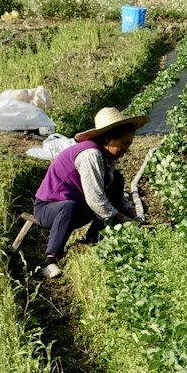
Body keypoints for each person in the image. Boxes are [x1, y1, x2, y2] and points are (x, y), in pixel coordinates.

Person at [33, 109, 143, 279]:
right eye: (124, 143)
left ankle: (94, 238)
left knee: (117, 181)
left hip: (78, 207)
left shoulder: (106, 157)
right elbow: (96, 199)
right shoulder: (90, 155)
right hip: (50, 209)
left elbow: (116, 196)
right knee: (68, 207)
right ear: (108, 138)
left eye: (129, 144)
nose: (126, 149)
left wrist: (134, 216)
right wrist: (123, 220)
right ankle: (50, 261)